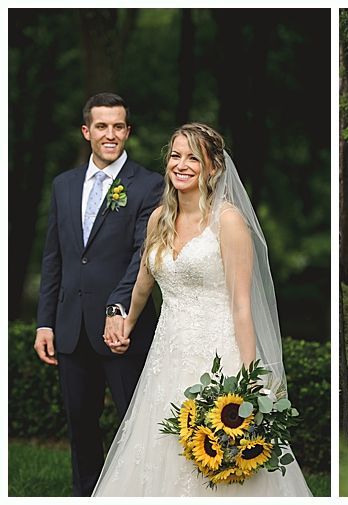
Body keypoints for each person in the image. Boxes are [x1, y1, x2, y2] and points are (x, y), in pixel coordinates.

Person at [91, 123, 312, 496]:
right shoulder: (159, 218)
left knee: (217, 456)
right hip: (166, 354)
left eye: (193, 157)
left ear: (213, 168)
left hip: (216, 354)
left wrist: (247, 376)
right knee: (157, 448)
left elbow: (242, 303)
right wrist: (125, 321)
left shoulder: (228, 222)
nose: (181, 164)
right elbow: (144, 280)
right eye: (176, 155)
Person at [35, 92, 163, 496]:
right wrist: (44, 322)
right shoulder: (63, 185)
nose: (111, 135)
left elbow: (143, 256)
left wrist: (120, 310)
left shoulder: (150, 185)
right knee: (81, 427)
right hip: (70, 328)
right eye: (102, 127)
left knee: (135, 424)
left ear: (128, 131)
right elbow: (54, 257)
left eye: (119, 127)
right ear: (86, 131)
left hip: (124, 329)